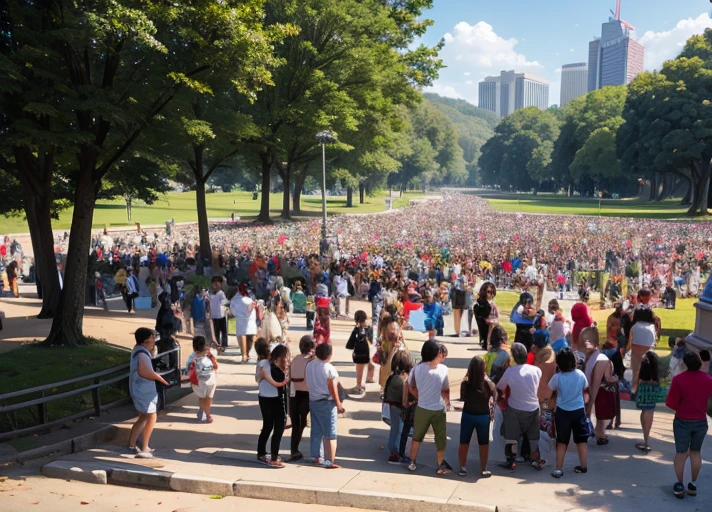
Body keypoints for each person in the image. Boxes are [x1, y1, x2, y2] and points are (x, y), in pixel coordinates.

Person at [665, 351, 712, 499]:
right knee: (696, 452)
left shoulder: (679, 380)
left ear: (684, 364)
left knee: (681, 453)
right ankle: (693, 483)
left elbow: (670, 403)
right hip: (700, 421)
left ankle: (680, 483)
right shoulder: (708, 380)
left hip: (682, 421)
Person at [496, 342, 545, 471]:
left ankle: (511, 460)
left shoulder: (510, 371)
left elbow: (500, 387)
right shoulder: (536, 370)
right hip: (534, 408)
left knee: (511, 436)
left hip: (515, 409)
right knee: (533, 437)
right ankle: (535, 459)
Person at [407, 341, 452, 474]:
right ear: (435, 353)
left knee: (417, 437)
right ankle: (440, 464)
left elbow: (410, 387)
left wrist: (419, 396)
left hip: (422, 407)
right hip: (438, 409)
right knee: (440, 439)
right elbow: (445, 390)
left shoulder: (417, 369)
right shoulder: (443, 369)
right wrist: (448, 402)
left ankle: (412, 462)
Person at [548, 347, 590, 479]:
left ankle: (558, 469)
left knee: (562, 441)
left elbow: (549, 390)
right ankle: (583, 466)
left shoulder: (557, 377)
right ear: (574, 361)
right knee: (581, 440)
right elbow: (585, 390)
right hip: (578, 411)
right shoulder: (580, 375)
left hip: (562, 412)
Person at [128, 328, 169, 458]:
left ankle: (132, 444)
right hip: (144, 389)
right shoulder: (142, 354)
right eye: (153, 337)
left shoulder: (139, 350)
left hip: (139, 388)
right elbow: (145, 372)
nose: (154, 339)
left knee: (143, 417)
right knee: (151, 416)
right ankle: (144, 447)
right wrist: (161, 379)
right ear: (146, 339)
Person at [306, 343, 345, 468]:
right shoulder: (329, 368)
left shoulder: (310, 365)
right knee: (330, 433)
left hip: (313, 400)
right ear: (329, 355)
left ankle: (316, 456)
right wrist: (338, 404)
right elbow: (332, 387)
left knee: (316, 430)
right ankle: (330, 460)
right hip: (326, 402)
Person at [458, 355, 496, 478]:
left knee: (464, 442)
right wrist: (487, 378)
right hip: (483, 416)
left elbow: (462, 397)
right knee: (484, 443)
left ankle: (463, 467)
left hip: (468, 414)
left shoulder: (466, 383)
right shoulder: (485, 384)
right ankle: (483, 468)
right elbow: (495, 392)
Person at [255, 340, 290, 467]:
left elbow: (258, 379)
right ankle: (273, 457)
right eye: (285, 357)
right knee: (277, 427)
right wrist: (284, 379)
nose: (287, 360)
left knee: (268, 426)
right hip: (274, 399)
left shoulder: (264, 363)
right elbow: (276, 381)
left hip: (265, 397)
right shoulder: (270, 366)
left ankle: (262, 452)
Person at [582, 327, 617, 445]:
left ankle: (600, 434)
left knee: (601, 416)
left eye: (587, 341)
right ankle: (599, 434)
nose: (584, 343)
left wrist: (590, 402)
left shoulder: (600, 359)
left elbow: (596, 382)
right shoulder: (590, 358)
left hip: (597, 393)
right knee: (601, 416)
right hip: (593, 393)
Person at [383, 351, 414, 464]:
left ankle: (392, 451)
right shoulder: (405, 379)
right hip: (401, 408)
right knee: (401, 431)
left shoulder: (392, 377)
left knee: (394, 429)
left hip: (392, 406)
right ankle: (397, 453)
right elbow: (406, 397)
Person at [288, 336, 315, 462]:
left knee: (296, 424)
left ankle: (294, 450)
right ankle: (297, 450)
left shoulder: (295, 359)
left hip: (294, 394)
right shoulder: (312, 361)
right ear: (312, 348)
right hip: (307, 394)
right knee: (303, 422)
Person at [185, 335, 218, 423]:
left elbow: (214, 366)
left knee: (206, 397)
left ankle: (205, 412)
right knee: (205, 397)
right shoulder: (195, 358)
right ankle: (206, 413)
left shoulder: (209, 355)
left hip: (207, 381)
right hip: (202, 381)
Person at [635, 351, 660, 452]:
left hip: (643, 398)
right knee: (649, 415)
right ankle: (646, 440)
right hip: (652, 399)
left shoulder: (642, 378)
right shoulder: (655, 377)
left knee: (644, 414)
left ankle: (645, 440)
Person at [628, 307, 658, 394]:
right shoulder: (652, 327)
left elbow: (630, 342)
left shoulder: (634, 327)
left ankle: (634, 389)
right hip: (648, 353)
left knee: (635, 373)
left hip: (636, 353)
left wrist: (626, 351)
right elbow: (654, 341)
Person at [345, 310, 373, 394]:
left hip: (358, 353)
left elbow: (350, 344)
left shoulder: (356, 330)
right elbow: (373, 340)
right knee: (367, 368)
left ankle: (359, 386)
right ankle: (365, 383)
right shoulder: (370, 328)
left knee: (359, 371)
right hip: (368, 352)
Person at [230, 284, 257, 364]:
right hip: (241, 319)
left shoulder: (250, 296)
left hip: (250, 319)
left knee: (251, 337)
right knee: (243, 336)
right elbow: (233, 310)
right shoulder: (235, 299)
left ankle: (247, 354)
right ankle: (244, 355)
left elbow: (254, 304)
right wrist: (238, 314)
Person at [473, 282, 498, 349]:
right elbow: (482, 315)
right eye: (489, 292)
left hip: (494, 321)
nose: (491, 294)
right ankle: (487, 343)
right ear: (484, 292)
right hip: (487, 323)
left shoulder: (493, 302)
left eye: (492, 292)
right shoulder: (480, 304)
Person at [210, 277, 228, 352]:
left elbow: (224, 302)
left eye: (217, 283)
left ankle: (223, 345)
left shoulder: (221, 293)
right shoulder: (209, 293)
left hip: (221, 315)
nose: (216, 285)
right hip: (214, 315)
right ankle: (218, 345)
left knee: (223, 331)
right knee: (216, 331)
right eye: (214, 283)